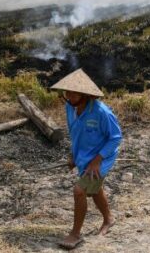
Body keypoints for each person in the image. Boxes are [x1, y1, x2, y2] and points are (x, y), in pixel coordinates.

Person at [51, 69, 123, 250]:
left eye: (75, 92)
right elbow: (75, 134)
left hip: (101, 158)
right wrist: (73, 157)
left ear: (85, 93)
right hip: (84, 156)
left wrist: (97, 160)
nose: (70, 95)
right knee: (94, 189)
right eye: (68, 91)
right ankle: (109, 219)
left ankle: (75, 234)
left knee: (80, 191)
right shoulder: (70, 107)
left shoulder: (101, 112)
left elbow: (115, 137)